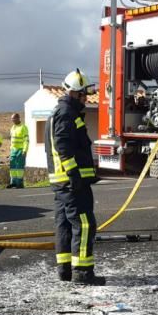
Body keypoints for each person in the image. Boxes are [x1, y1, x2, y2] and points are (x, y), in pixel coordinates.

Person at [46, 69, 105, 285]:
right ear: (74, 93)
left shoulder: (60, 112)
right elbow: (63, 146)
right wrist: (74, 174)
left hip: (62, 183)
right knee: (84, 224)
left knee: (64, 225)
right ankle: (82, 272)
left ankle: (65, 270)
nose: (86, 98)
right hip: (71, 183)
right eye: (84, 94)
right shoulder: (66, 113)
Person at [7, 113, 29, 188]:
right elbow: (11, 140)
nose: (12, 120)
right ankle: (13, 182)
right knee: (12, 167)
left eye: (14, 118)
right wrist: (10, 150)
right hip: (13, 150)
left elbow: (26, 140)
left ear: (18, 118)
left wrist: (25, 150)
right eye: (12, 118)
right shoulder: (12, 127)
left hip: (20, 150)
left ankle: (19, 183)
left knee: (19, 167)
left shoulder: (23, 127)